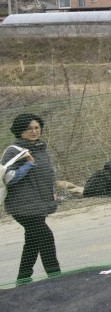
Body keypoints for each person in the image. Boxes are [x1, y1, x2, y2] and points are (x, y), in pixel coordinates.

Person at [2, 113, 60, 285]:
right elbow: (9, 178)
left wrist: (53, 191)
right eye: (29, 129)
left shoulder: (40, 148)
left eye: (37, 128)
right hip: (22, 207)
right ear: (20, 131)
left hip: (39, 203)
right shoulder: (13, 151)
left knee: (32, 242)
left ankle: (23, 278)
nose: (34, 132)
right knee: (46, 237)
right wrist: (28, 163)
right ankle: (56, 276)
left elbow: (48, 173)